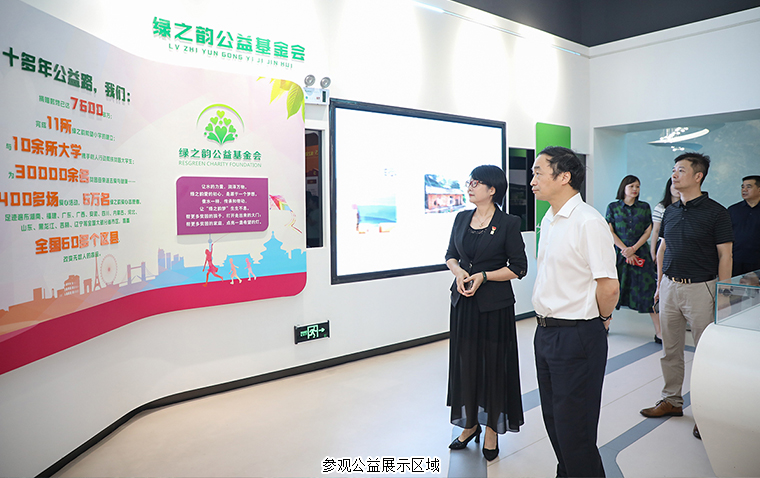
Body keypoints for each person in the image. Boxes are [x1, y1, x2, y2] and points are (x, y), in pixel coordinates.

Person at [530, 146, 619, 478]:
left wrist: (602, 319)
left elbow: (609, 286)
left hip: (576, 334)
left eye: (538, 172)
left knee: (575, 429)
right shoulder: (549, 218)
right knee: (555, 421)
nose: (532, 180)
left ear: (564, 176)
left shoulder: (588, 221)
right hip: (546, 332)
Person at [640, 153, 733, 441]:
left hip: (701, 288)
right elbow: (663, 249)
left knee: (706, 354)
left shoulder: (717, 213)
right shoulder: (670, 211)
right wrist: (659, 284)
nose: (674, 174)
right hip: (670, 286)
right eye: (673, 169)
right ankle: (672, 400)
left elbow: (725, 255)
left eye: (680, 170)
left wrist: (724, 293)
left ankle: (706, 412)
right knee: (670, 350)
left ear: (698, 176)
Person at [445, 165, 527, 462]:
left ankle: (492, 428)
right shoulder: (461, 218)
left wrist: (484, 276)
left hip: (494, 307)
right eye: (469, 181)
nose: (470, 186)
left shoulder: (508, 223)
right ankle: (469, 424)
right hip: (464, 304)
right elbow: (450, 255)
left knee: (493, 366)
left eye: (476, 182)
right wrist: (458, 273)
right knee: (466, 364)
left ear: (492, 190)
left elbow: (518, 267)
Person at [606, 175, 660, 343]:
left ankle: (659, 332)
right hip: (619, 256)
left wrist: (633, 249)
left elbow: (648, 230)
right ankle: (604, 325)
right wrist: (625, 250)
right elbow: (609, 231)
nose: (635, 189)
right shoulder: (613, 207)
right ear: (624, 188)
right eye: (631, 186)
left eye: (637, 186)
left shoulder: (644, 207)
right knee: (612, 291)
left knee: (649, 291)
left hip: (640, 255)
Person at [727, 175, 760, 276]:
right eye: (742, 187)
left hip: (757, 262)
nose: (744, 190)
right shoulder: (733, 210)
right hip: (735, 260)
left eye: (748, 187)